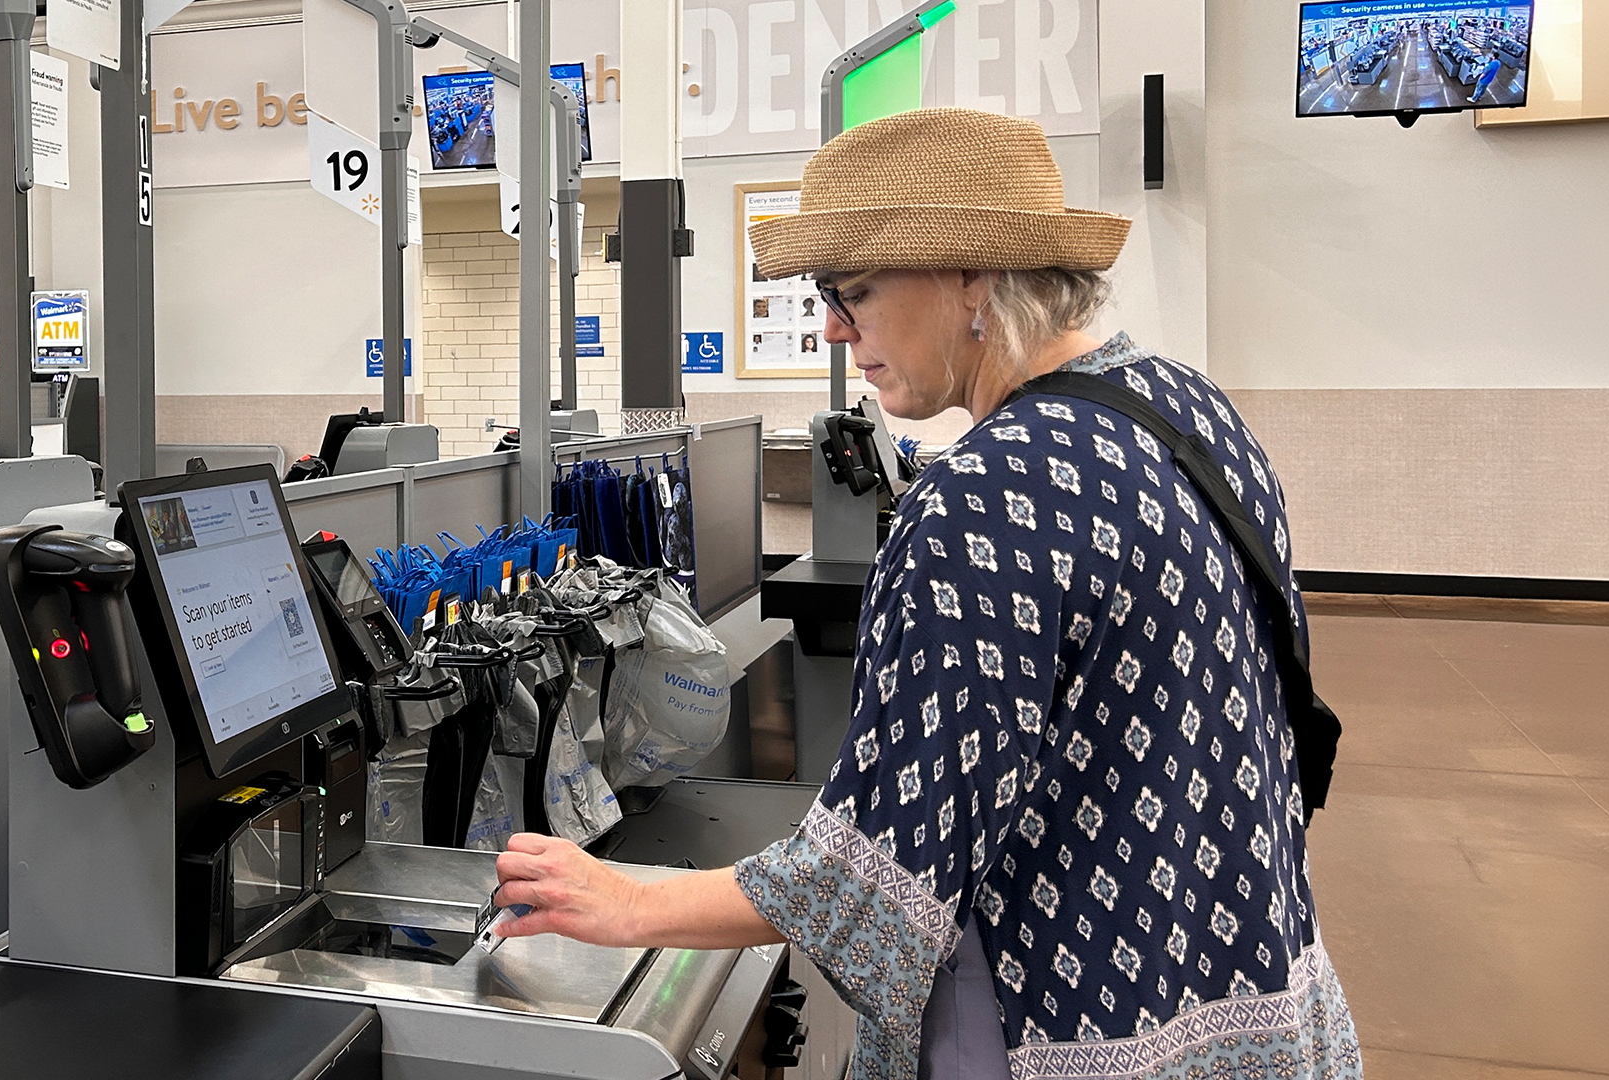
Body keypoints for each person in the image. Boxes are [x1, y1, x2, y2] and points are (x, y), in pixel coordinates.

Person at [489, 107, 1360, 1080]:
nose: (830, 325)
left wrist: (625, 901)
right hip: (1268, 1011)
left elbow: (873, 876)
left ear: (972, 277)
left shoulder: (985, 494)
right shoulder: (1191, 411)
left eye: (851, 290)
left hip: (1074, 1035)